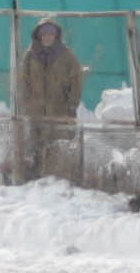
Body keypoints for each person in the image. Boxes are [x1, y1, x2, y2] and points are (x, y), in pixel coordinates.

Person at [13, 17, 86, 179]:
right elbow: (23, 80)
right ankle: (36, 177)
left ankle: (60, 176)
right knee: (36, 144)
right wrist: (26, 101)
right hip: (37, 109)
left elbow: (77, 77)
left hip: (60, 108)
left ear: (56, 36)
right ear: (38, 36)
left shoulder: (66, 54)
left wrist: (73, 102)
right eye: (44, 34)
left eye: (50, 34)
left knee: (59, 143)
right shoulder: (30, 55)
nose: (47, 37)